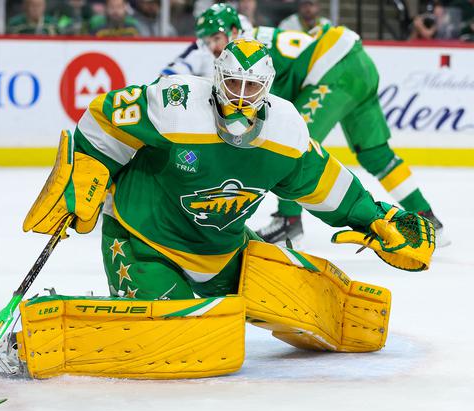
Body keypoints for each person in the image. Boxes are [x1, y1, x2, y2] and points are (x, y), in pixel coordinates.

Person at [23, 37, 435, 305]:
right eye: (232, 84)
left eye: (250, 88)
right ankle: (45, 317)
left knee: (311, 303)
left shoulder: (286, 131)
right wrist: (88, 171)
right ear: (217, 79)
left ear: (266, 89)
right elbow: (105, 116)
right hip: (144, 243)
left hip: (221, 250)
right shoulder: (176, 103)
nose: (240, 97)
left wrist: (377, 217)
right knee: (183, 336)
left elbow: (326, 183)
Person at [163, 5, 445, 245]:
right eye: (207, 42)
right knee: (375, 154)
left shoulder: (246, 52)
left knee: (290, 143)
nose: (213, 47)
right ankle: (426, 219)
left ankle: (289, 220)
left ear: (234, 30)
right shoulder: (256, 39)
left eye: (215, 38)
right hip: (358, 64)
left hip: (336, 70)